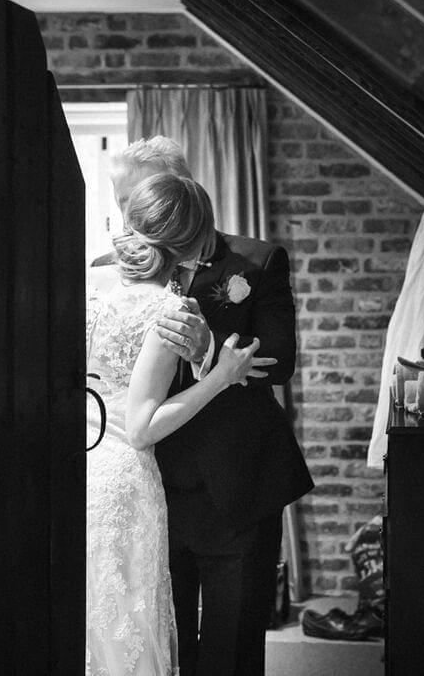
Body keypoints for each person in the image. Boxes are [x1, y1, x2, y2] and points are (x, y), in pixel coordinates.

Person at [109, 137, 315, 676]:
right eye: (120, 203)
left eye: (135, 199)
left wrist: (207, 347)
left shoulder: (256, 260)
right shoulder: (111, 273)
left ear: (177, 190)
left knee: (232, 643)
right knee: (161, 640)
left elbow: (280, 361)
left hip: (239, 481)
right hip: (149, 484)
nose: (127, 219)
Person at [85, 172, 273, 675]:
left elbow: (281, 358)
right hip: (134, 471)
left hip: (100, 469)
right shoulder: (161, 305)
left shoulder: (89, 287)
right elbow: (142, 426)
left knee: (106, 616)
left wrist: (208, 350)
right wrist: (220, 375)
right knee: (131, 617)